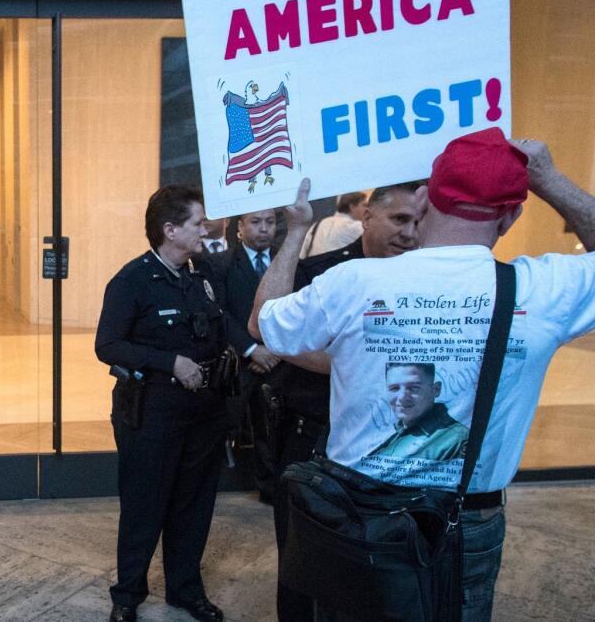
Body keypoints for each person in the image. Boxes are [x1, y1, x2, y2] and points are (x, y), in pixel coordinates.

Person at [249, 127, 595, 621]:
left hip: (355, 513)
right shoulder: (542, 290)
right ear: (513, 214)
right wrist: (551, 180)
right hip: (466, 519)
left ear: (425, 198)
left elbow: (264, 320)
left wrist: (297, 231)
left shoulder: (355, 281)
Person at [262, 180, 423, 622]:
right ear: (366, 215)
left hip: (391, 450)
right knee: (300, 562)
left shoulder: (426, 280)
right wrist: (360, 364)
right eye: (399, 219)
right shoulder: (321, 273)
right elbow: (272, 333)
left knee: (378, 568)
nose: (410, 233)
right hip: (313, 441)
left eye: (418, 221)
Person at [96, 185, 229, 622]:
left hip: (203, 413)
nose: (204, 229)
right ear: (170, 230)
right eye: (197, 222)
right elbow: (108, 345)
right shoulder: (132, 280)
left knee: (193, 506)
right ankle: (127, 596)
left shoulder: (201, 275)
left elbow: (221, 325)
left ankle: (185, 590)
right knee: (143, 505)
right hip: (151, 415)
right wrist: (168, 362)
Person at [205, 208, 282, 502]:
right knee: (223, 425)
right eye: (256, 222)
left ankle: (271, 491)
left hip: (277, 361)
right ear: (240, 226)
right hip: (238, 361)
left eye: (270, 222)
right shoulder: (220, 264)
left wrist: (273, 352)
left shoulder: (286, 262)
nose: (263, 229)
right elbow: (219, 313)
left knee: (271, 430)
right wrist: (252, 350)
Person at [368, 362, 467, 460]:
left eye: (414, 388)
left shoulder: (458, 439)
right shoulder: (392, 434)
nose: (402, 397)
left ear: (436, 390)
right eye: (394, 388)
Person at [298, 191, 367, 258]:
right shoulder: (356, 226)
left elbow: (301, 254)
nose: (367, 209)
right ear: (352, 207)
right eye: (364, 205)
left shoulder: (316, 225)